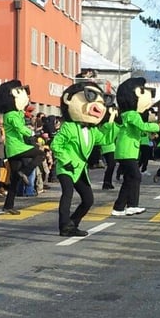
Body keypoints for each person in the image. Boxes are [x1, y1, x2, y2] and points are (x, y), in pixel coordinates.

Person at [51, 82, 118, 236]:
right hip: (67, 167)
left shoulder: (93, 130)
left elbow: (106, 139)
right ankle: (64, 227)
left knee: (88, 200)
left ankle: (73, 223)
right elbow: (56, 145)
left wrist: (114, 123)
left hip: (80, 169)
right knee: (67, 194)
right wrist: (66, 161)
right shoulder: (69, 127)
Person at [112, 78, 160, 216]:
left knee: (129, 178)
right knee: (136, 177)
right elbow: (142, 126)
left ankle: (119, 207)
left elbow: (138, 130)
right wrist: (159, 126)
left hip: (126, 150)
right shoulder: (132, 114)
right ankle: (132, 205)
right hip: (127, 151)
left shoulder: (127, 114)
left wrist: (150, 133)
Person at [0, 80, 45, 215]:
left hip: (15, 148)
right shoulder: (11, 115)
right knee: (40, 154)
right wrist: (32, 133)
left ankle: (8, 205)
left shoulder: (15, 113)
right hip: (16, 147)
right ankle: (26, 172)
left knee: (15, 179)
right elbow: (19, 127)